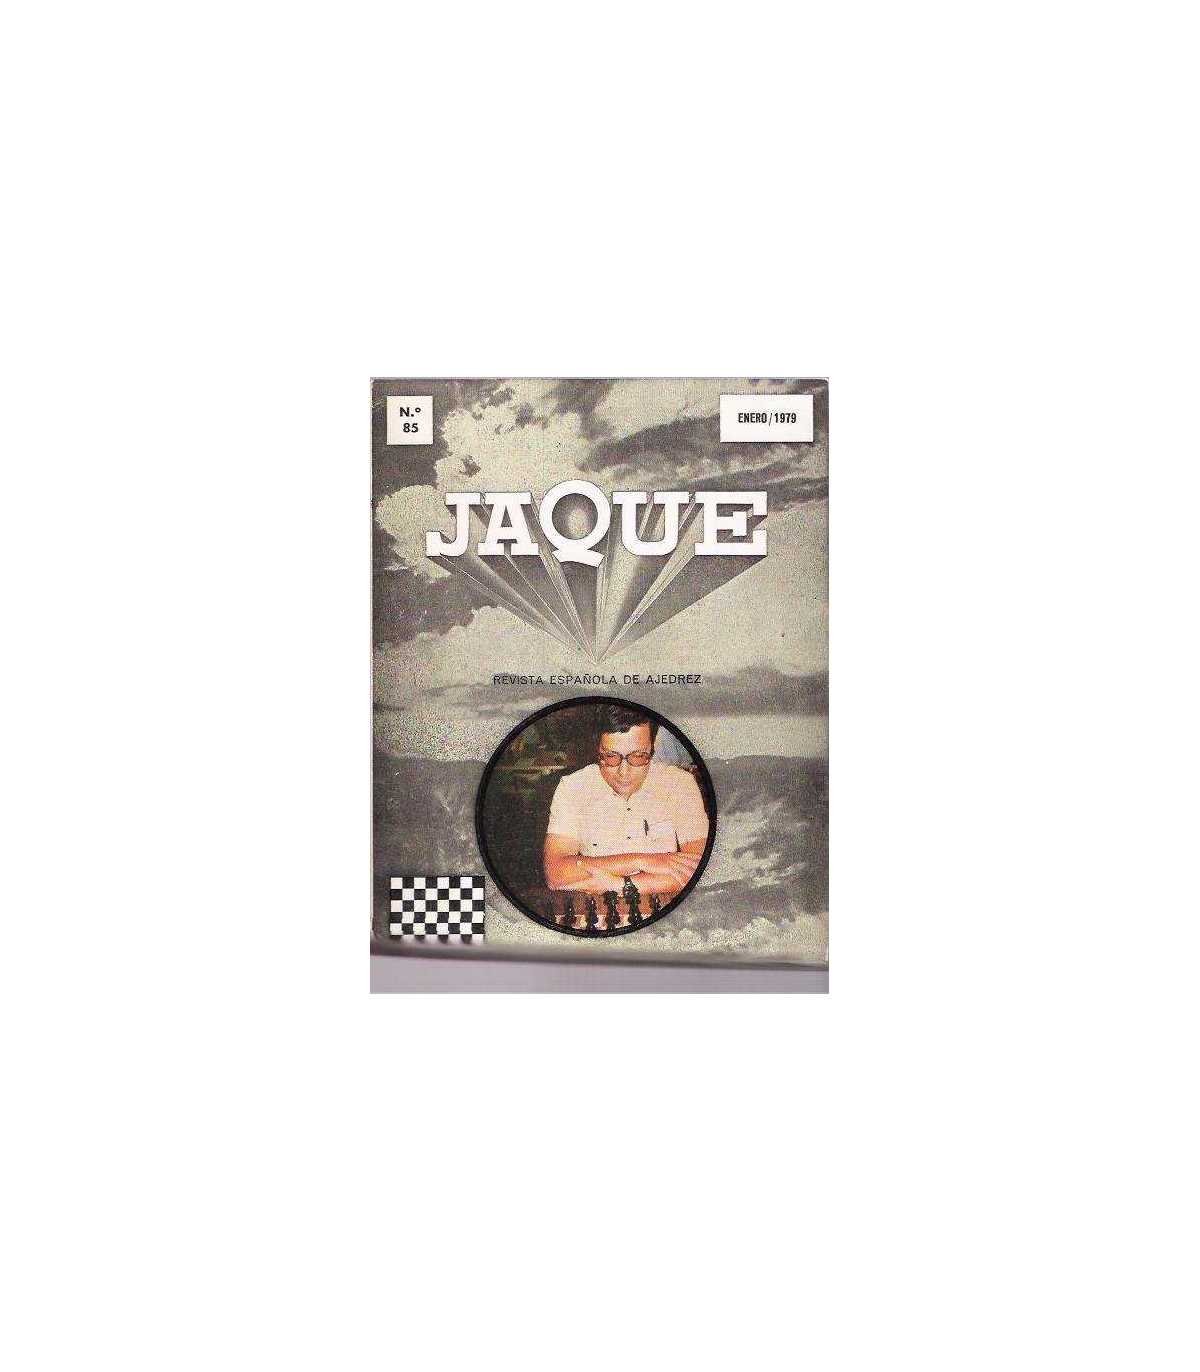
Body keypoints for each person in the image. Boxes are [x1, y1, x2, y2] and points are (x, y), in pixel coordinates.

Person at [543, 704, 709, 898]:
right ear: (597, 749)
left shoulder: (679, 784)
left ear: (652, 748)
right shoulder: (573, 787)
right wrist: (642, 861)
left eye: (638, 756)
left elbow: (701, 869)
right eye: (611, 757)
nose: (624, 772)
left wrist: (621, 885)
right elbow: (555, 873)